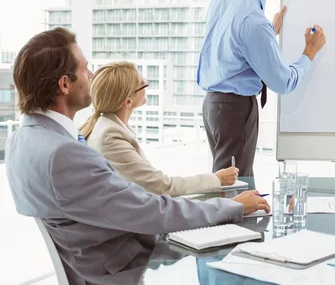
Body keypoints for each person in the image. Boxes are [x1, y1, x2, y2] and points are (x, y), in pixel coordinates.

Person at [6, 28, 270, 285]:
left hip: (102, 257)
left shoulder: (22, 139)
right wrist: (232, 207)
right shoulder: (63, 154)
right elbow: (151, 209)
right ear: (64, 84)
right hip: (126, 267)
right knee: (242, 268)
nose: (91, 75)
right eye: (85, 69)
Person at [197, 0, 327, 177]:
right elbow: (282, 82)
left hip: (213, 106)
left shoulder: (223, 0)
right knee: (234, 189)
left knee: (229, 181)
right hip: (234, 110)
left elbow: (231, 47)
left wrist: (269, 31)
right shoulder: (254, 22)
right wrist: (310, 51)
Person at [80, 61, 238, 196]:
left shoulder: (103, 125)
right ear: (127, 102)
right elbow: (161, 186)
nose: (146, 86)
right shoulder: (110, 136)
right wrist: (217, 179)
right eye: (142, 84)